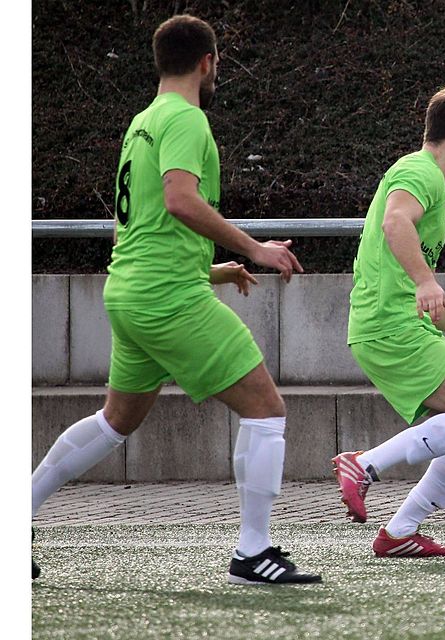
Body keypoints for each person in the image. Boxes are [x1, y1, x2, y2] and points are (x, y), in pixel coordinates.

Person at [31, 14, 320, 584]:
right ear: (208, 62)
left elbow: (140, 228)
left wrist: (210, 270)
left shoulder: (142, 122)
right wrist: (255, 249)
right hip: (167, 299)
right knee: (266, 410)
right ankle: (253, 553)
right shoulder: (187, 118)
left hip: (131, 292)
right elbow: (179, 201)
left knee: (116, 420)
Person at [332, 84, 445, 558]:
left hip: (395, 325)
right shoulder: (421, 172)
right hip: (390, 327)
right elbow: (395, 223)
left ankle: (399, 533)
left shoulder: (424, 177)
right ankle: (363, 465)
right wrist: (424, 280)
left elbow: (424, 298)